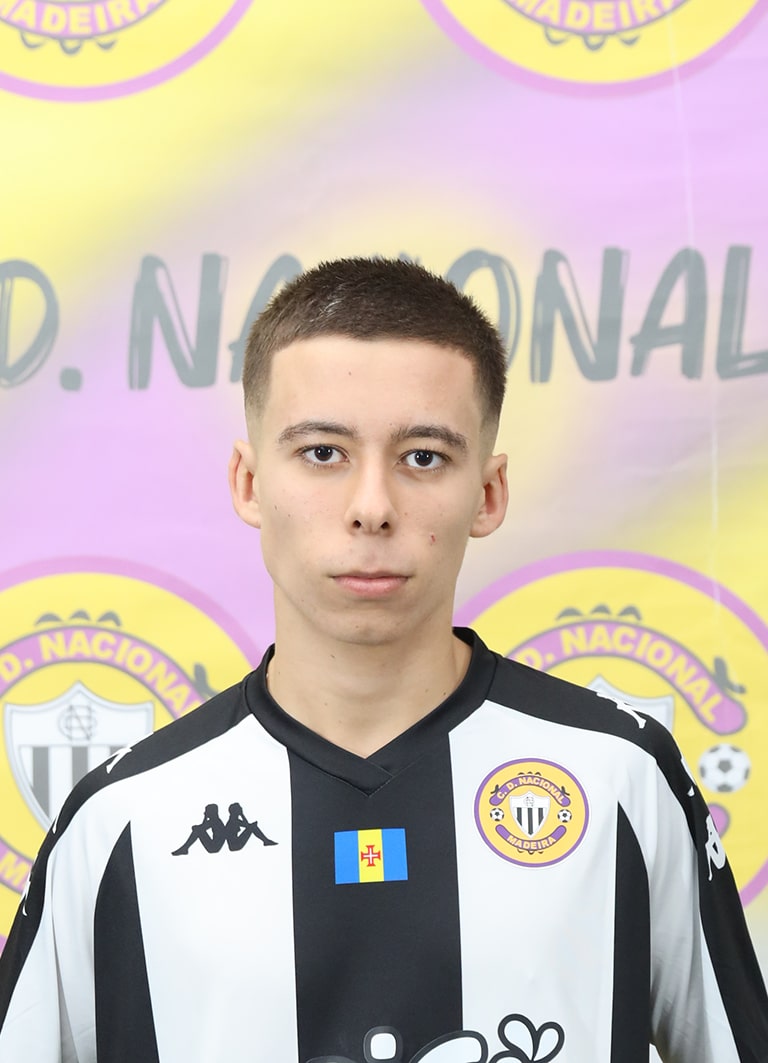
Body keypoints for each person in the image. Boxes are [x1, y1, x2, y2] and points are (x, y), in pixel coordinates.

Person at [0, 257, 765, 1062]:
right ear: (249, 482)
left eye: (423, 456)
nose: (372, 507)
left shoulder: (621, 776)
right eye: (323, 453)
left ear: (489, 493)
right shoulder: (120, 817)